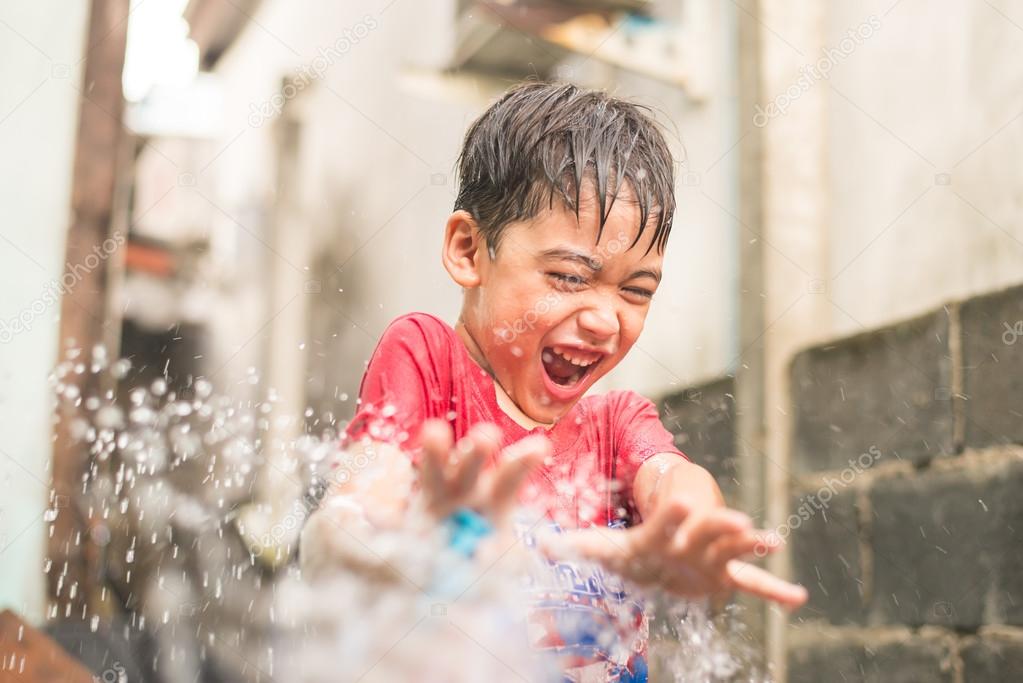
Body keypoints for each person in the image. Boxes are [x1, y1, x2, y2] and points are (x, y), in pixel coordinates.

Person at [300, 81, 807, 682]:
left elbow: (676, 482)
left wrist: (687, 544)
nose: (603, 319)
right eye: (568, 276)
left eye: (636, 290)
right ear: (469, 250)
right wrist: (404, 546)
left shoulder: (615, 425)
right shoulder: (428, 362)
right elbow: (347, 519)